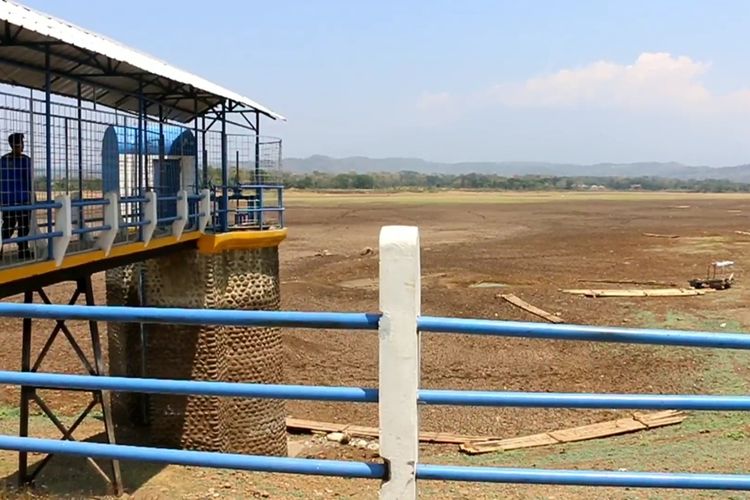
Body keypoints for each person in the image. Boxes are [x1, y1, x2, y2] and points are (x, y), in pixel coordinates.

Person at [0, 132, 33, 259]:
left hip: (10, 200)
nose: (21, 146)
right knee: (19, 228)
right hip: (20, 200)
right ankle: (22, 251)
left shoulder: (3, 160)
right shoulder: (25, 161)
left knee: (12, 228)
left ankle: (21, 250)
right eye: (20, 144)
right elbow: (29, 181)